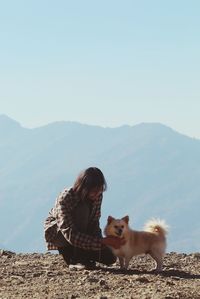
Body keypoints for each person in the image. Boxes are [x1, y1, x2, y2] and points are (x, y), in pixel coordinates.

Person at [44, 167, 124, 269]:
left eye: (100, 190)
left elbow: (94, 222)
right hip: (62, 236)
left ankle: (84, 256)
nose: (97, 194)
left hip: (83, 237)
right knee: (83, 209)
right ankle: (77, 259)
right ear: (83, 188)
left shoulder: (97, 196)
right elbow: (70, 233)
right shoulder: (67, 197)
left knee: (110, 258)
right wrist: (101, 242)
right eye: (94, 191)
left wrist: (102, 243)